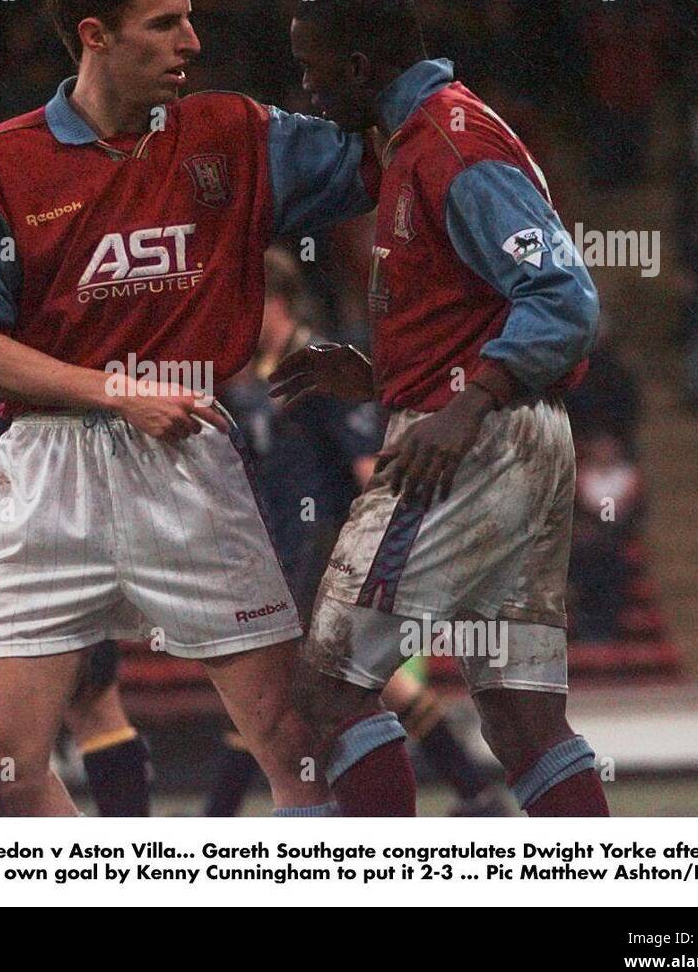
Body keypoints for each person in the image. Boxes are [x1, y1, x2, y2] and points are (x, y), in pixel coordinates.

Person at [0, 0, 393, 816]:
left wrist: (381, 32)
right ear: (94, 35)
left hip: (189, 461)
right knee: (0, 760)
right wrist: (117, 390)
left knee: (291, 742)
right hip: (46, 470)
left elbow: (387, 150)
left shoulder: (235, 132)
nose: (191, 43)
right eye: (165, 24)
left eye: (192, 21)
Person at [272, 0, 608, 816]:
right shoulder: (424, 136)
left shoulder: (452, 143)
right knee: (525, 717)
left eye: (313, 68)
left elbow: (566, 298)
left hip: (472, 442)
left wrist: (462, 403)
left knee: (327, 686)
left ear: (356, 65)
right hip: (510, 431)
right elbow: (482, 304)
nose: (307, 90)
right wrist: (387, 375)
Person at [210, 247, 508, 816]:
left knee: (278, 684)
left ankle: (232, 815)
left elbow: (369, 465)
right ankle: (473, 792)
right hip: (288, 549)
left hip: (326, 547)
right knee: (349, 684)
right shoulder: (261, 376)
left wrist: (383, 549)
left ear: (274, 301)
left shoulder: (320, 366)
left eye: (246, 303)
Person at [0, 164, 152, 815]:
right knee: (90, 700)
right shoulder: (9, 297)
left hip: (40, 514)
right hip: (52, 508)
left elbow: (3, 421)